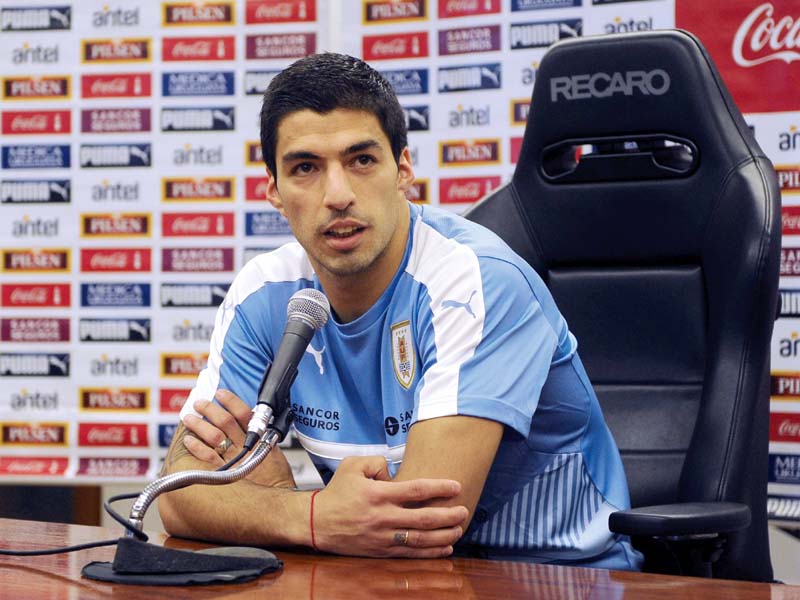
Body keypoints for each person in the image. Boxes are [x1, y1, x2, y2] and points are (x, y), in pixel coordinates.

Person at [159, 52, 642, 570]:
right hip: (382, 577)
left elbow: (416, 524)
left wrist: (273, 506)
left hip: (559, 578)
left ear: (403, 170)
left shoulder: (474, 279)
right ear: (274, 191)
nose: (338, 196)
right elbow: (177, 496)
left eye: (361, 160)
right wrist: (311, 515)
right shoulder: (264, 294)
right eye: (305, 168)